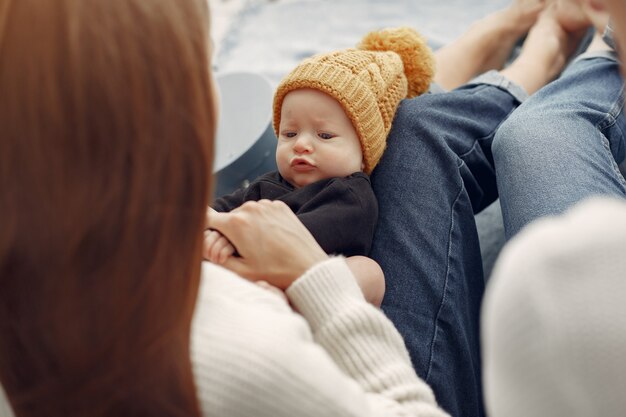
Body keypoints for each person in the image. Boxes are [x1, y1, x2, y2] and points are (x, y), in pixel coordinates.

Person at [204, 27, 435, 306]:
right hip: (243, 276)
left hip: (309, 287)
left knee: (368, 272)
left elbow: (296, 237)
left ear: (363, 154)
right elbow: (222, 207)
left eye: (324, 136)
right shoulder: (268, 184)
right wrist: (210, 223)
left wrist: (232, 236)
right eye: (289, 134)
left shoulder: (350, 198)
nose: (301, 144)